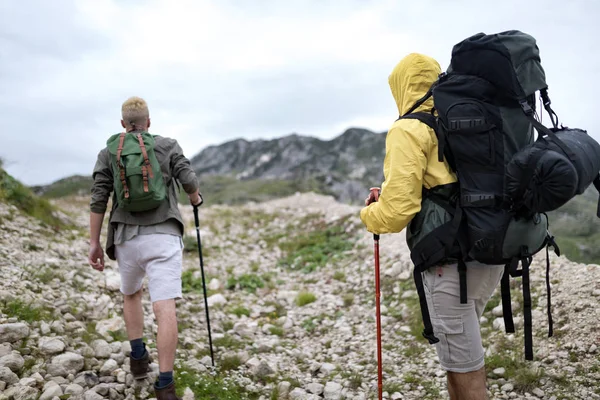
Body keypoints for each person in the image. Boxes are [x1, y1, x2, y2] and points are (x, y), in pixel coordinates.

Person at [360, 53, 503, 400]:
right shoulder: (468, 120)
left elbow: (397, 212)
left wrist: (369, 216)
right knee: (460, 359)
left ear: (401, 87)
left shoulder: (408, 128)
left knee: (468, 371)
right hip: (490, 250)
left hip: (448, 262)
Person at [88, 96, 202, 400]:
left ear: (123, 125)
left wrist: (93, 244)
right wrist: (194, 198)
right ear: (149, 123)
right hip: (164, 235)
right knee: (165, 307)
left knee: (132, 294)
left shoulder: (109, 153)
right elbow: (188, 178)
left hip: (126, 238)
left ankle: (138, 359)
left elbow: (99, 198)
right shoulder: (167, 145)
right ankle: (165, 384)